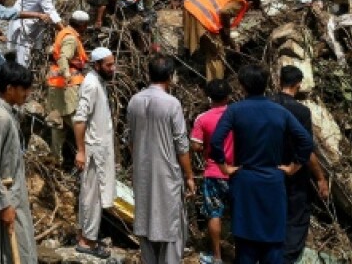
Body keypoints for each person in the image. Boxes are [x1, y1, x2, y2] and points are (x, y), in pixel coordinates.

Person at [209, 64, 314, 264]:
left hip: (245, 180)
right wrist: (294, 166)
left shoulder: (234, 111)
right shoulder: (279, 112)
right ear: (267, 84)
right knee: (273, 243)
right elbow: (306, 141)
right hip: (274, 182)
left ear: (242, 86)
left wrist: (224, 167)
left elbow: (216, 141)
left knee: (246, 244)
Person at [124, 56, 195, 264]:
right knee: (171, 227)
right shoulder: (172, 103)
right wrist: (189, 175)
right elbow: (182, 145)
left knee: (145, 223)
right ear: (170, 77)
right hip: (167, 174)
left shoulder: (134, 100)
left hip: (142, 172)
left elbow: (129, 139)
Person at [269, 66, 330, 264]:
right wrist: (320, 178)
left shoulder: (267, 105)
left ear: (279, 81)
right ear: (298, 85)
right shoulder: (301, 111)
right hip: (293, 172)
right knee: (296, 217)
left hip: (266, 168)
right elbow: (307, 148)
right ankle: (285, 258)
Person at [0, 63, 37, 264]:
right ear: (10, 89)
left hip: (13, 197)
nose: (27, 93)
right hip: (5, 200)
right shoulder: (0, 118)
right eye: (23, 89)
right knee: (5, 254)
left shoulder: (6, 113)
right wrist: (4, 205)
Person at [74, 47, 116, 259]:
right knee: (92, 196)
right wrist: (81, 151)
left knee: (91, 194)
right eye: (108, 65)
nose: (112, 68)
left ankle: (86, 236)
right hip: (93, 150)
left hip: (99, 149)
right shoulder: (91, 84)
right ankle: (87, 241)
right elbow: (79, 120)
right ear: (97, 65)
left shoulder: (97, 82)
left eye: (113, 64)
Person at [192, 78, 237, 264]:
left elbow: (195, 145)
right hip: (237, 172)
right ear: (229, 96)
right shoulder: (238, 116)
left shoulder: (203, 118)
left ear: (209, 97)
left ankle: (217, 257)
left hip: (213, 172)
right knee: (239, 213)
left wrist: (206, 149)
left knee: (214, 214)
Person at [183, 0, 262, 82]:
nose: (248, 10)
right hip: (201, 16)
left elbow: (221, 24)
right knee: (217, 54)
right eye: (250, 8)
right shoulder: (240, 2)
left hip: (190, 7)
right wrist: (227, 29)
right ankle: (216, 84)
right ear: (250, 3)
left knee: (209, 48)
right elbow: (224, 12)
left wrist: (230, 42)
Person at [46, 10, 89, 167]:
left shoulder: (63, 33)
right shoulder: (71, 38)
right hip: (67, 89)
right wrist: (67, 75)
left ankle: (56, 161)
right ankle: (85, 158)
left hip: (54, 87)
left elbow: (53, 52)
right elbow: (64, 57)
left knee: (58, 125)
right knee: (77, 122)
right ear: (82, 25)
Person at [6, 0, 65, 66]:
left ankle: (33, 64)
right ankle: (22, 73)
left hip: (35, 18)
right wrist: (64, 31)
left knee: (36, 46)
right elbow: (52, 13)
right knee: (23, 52)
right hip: (24, 20)